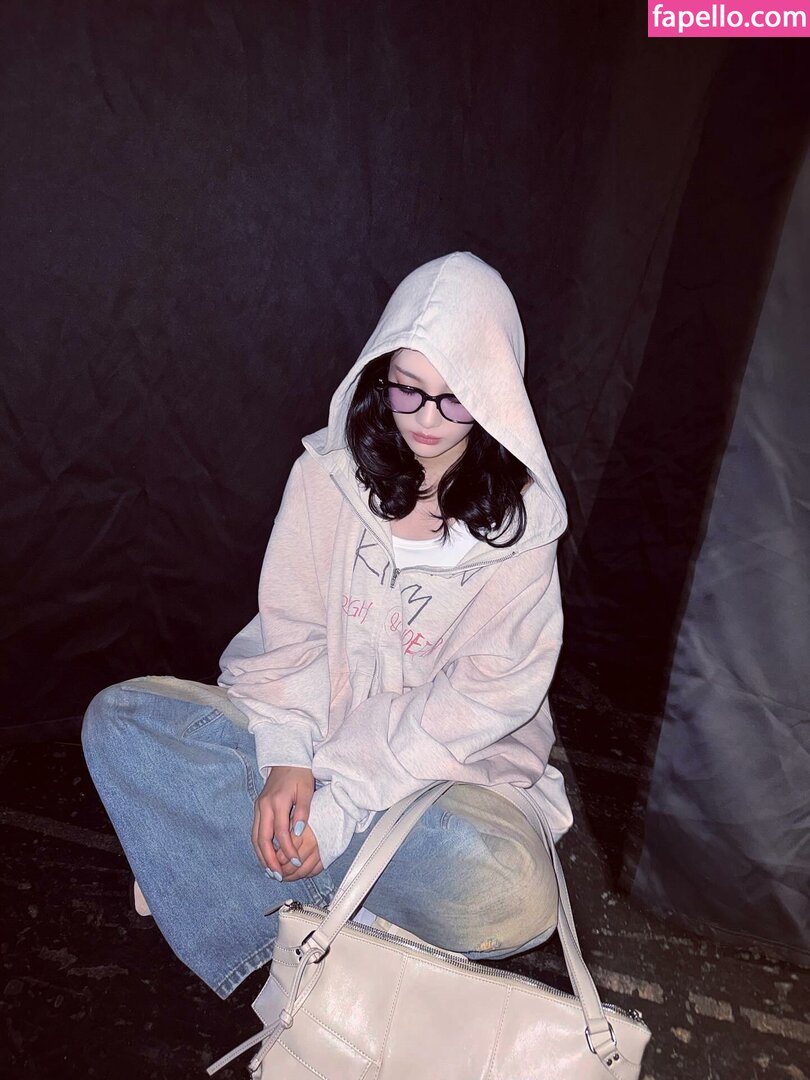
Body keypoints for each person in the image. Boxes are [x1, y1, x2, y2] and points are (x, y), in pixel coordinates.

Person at [81, 250, 573, 1011]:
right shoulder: (324, 476)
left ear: (495, 395)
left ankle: (229, 865)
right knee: (119, 722)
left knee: (514, 892)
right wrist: (287, 758)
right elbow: (294, 631)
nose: (427, 421)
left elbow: (480, 701)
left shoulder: (524, 532)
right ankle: (317, 881)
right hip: (307, 735)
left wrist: (341, 801)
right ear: (380, 375)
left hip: (436, 778)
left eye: (455, 400)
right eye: (408, 390)